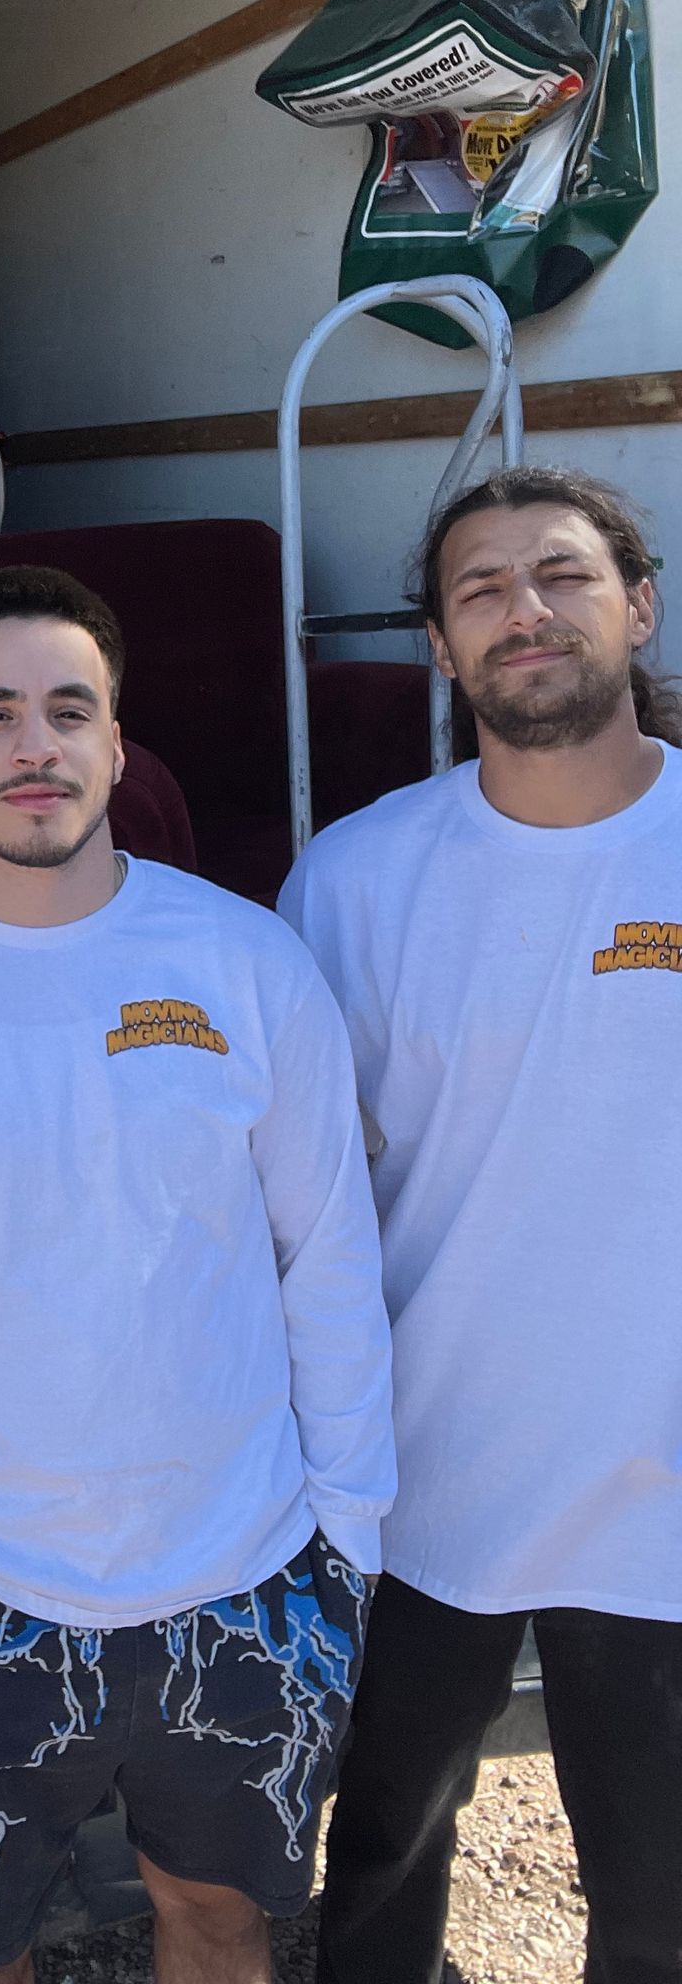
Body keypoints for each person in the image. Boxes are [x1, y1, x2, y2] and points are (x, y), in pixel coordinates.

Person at [0, 563, 396, 1984]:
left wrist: (348, 1554)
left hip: (247, 1575)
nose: (33, 745)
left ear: (117, 746)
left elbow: (329, 1263)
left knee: (221, 1921)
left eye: (68, 710)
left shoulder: (249, 963)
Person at [280, 466, 682, 1984]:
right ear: (442, 649)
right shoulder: (355, 881)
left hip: (663, 1484)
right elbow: (301, 1190)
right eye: (481, 590)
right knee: (382, 1854)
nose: (526, 610)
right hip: (426, 1473)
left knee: (660, 1895)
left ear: (639, 608)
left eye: (563, 575)